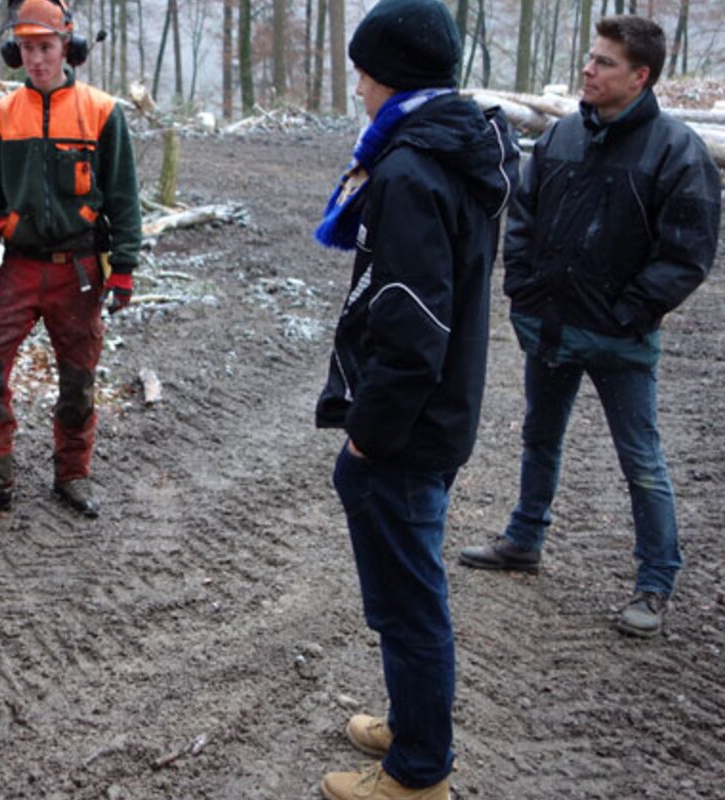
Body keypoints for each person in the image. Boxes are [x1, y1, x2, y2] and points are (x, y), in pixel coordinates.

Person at [312, 1, 518, 797]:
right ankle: (411, 722)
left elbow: (412, 322)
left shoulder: (408, 170)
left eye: (364, 70)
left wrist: (368, 434)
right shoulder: (459, 149)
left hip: (407, 431)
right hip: (442, 414)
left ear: (387, 74)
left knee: (408, 604)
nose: (357, 84)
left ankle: (418, 771)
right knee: (410, 591)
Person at [458, 16, 720, 638]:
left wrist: (629, 312)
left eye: (604, 62)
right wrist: (523, 287)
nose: (588, 69)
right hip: (551, 327)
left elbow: (688, 255)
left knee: (643, 462)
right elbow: (522, 216)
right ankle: (524, 540)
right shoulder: (562, 138)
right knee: (538, 436)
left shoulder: (677, 152)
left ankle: (655, 583)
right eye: (590, 57)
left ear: (641, 76)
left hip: (621, 340)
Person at [0, 0, 142, 518]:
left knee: (78, 380)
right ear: (14, 51)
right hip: (20, 266)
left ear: (66, 47)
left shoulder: (101, 112)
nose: (37, 59)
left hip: (80, 269)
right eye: (27, 48)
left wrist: (126, 270)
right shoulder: (1, 116)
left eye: (45, 47)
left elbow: (123, 196)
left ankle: (73, 475)